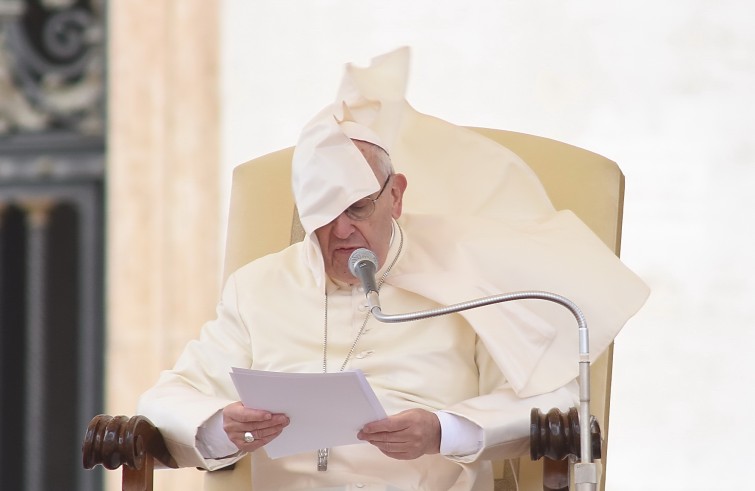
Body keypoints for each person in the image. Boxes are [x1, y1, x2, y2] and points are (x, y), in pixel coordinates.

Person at [138, 48, 649, 490]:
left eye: (358, 210)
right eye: (322, 218)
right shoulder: (257, 287)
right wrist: (218, 426)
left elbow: (552, 402)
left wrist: (443, 430)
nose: (341, 235)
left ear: (396, 196)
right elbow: (166, 398)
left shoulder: (464, 274)